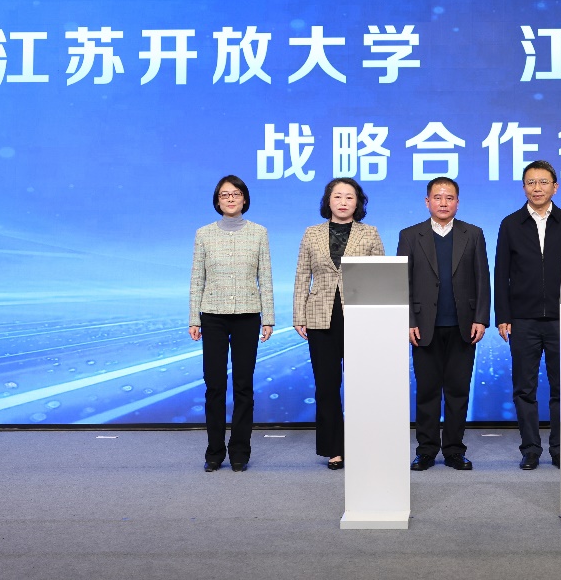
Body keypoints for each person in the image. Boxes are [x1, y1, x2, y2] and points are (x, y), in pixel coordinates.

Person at [494, 159, 561, 470]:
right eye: (531, 182)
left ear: (555, 187)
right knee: (525, 389)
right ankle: (530, 449)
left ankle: (560, 448)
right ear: (524, 188)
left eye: (543, 182)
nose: (537, 188)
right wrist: (503, 315)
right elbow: (501, 273)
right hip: (523, 319)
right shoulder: (510, 224)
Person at [397, 177, 491, 472]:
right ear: (427, 202)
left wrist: (481, 318)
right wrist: (408, 320)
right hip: (424, 327)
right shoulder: (410, 235)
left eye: (449, 198)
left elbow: (482, 279)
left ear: (457, 203)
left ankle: (454, 450)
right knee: (427, 391)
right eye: (437, 197)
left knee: (458, 391)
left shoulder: (473, 234)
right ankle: (425, 451)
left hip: (464, 326)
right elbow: (403, 282)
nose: (443, 203)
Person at [292, 177, 385, 470]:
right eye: (337, 196)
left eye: (349, 197)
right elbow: (302, 276)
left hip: (360, 318)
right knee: (327, 386)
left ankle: (363, 445)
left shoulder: (370, 233)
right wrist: (299, 315)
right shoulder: (312, 233)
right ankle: (334, 448)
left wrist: (379, 319)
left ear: (358, 203)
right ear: (328, 201)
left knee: (361, 386)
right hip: (320, 317)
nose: (343, 202)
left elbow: (381, 278)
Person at [188, 175, 274, 472]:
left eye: (236, 194)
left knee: (243, 386)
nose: (230, 199)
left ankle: (239, 451)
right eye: (225, 195)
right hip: (212, 315)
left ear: (245, 199)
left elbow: (265, 278)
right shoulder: (204, 234)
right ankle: (214, 452)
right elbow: (197, 278)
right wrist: (193, 318)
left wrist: (268, 318)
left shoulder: (259, 233)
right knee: (214, 385)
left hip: (248, 315)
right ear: (217, 200)